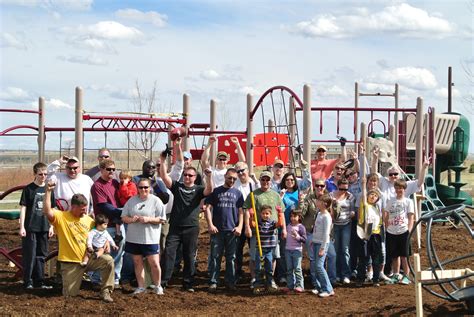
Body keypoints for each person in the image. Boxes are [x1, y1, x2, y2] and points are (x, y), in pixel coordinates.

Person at [43, 183, 114, 302]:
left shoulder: (89, 220)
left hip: (89, 258)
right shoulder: (61, 217)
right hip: (70, 262)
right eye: (82, 209)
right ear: (73, 207)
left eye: (85, 209)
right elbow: (47, 211)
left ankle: (106, 291)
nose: (84, 212)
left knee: (108, 261)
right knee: (70, 296)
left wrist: (106, 241)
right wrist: (48, 192)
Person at [160, 141, 214, 292]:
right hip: (175, 227)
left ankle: (188, 283)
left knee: (189, 256)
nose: (187, 177)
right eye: (185, 175)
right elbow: (164, 177)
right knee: (169, 252)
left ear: (195, 177)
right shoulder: (177, 187)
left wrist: (209, 176)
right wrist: (163, 160)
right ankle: (164, 282)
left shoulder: (198, 189)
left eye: (190, 175)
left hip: (191, 227)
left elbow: (209, 191)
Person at [122, 178, 167, 295]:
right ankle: (141, 287)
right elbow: (124, 217)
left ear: (150, 188)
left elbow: (162, 219)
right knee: (137, 262)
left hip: (150, 238)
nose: (143, 190)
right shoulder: (131, 201)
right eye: (141, 187)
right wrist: (131, 219)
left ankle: (158, 286)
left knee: (154, 263)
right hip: (134, 238)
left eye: (146, 187)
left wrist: (149, 219)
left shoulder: (156, 201)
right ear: (137, 188)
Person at [243, 171, 286, 290]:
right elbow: (247, 210)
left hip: (272, 232)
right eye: (263, 180)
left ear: (270, 181)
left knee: (272, 256)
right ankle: (254, 279)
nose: (265, 182)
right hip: (258, 232)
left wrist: (284, 229)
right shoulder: (254, 195)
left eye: (267, 180)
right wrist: (247, 226)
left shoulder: (275, 195)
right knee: (254, 257)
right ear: (260, 181)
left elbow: (281, 212)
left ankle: (270, 280)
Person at [204, 168, 244, 291]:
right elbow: (207, 208)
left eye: (234, 179)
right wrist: (210, 224)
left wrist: (240, 226)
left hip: (232, 231)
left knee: (231, 258)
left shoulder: (238, 193)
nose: (231, 180)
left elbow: (241, 212)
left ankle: (230, 281)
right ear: (225, 176)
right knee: (216, 256)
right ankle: (214, 281)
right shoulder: (216, 192)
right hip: (218, 230)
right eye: (229, 177)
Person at [19, 162, 55, 290]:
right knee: (30, 255)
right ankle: (28, 281)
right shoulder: (28, 189)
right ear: (35, 174)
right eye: (40, 174)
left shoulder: (49, 189)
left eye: (45, 174)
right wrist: (22, 226)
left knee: (41, 254)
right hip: (30, 227)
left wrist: (52, 226)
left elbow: (52, 209)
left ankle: (39, 281)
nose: (43, 177)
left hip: (44, 227)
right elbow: (23, 208)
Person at [90, 159, 125, 287]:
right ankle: (97, 278)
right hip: (104, 226)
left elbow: (123, 198)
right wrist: (123, 212)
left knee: (119, 252)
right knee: (103, 253)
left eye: (113, 169)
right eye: (108, 169)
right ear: (101, 170)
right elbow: (104, 206)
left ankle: (115, 278)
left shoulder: (116, 183)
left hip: (118, 224)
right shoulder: (97, 186)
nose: (111, 172)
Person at [383, 179, 414, 285]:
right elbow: (386, 214)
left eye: (400, 188)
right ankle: (396, 275)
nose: (398, 190)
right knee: (394, 256)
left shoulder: (408, 202)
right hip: (391, 232)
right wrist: (387, 227)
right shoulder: (391, 201)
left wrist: (409, 230)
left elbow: (411, 217)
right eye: (397, 188)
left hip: (403, 231)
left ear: (404, 189)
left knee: (404, 256)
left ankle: (406, 276)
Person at [355, 177, 384, 287]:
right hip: (365, 234)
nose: (373, 196)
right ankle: (360, 279)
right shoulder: (365, 205)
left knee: (376, 258)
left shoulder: (377, 208)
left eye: (375, 195)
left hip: (375, 234)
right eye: (371, 194)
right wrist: (363, 185)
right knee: (363, 258)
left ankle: (375, 279)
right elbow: (363, 195)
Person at [299, 178, 327, 291]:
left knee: (326, 258)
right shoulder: (308, 199)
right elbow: (301, 214)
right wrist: (301, 202)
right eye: (318, 186)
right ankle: (316, 283)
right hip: (311, 233)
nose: (320, 188)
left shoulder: (328, 198)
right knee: (313, 259)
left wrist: (335, 204)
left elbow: (335, 213)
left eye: (322, 186)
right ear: (314, 187)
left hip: (324, 234)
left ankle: (326, 281)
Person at [233, 161, 259, 282]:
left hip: (252, 220)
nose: (241, 173)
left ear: (248, 170)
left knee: (253, 247)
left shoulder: (253, 184)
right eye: (238, 171)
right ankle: (237, 272)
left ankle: (255, 273)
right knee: (237, 248)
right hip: (238, 221)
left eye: (243, 170)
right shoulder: (234, 185)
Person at [331, 178, 355, 284]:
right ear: (338, 186)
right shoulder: (332, 195)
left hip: (346, 224)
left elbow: (352, 210)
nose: (343, 191)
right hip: (335, 225)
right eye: (341, 189)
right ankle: (336, 274)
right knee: (335, 250)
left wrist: (352, 214)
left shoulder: (350, 196)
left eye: (345, 189)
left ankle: (346, 274)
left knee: (345, 249)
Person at [252, 205, 281, 293]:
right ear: (260, 214)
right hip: (259, 250)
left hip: (268, 250)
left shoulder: (272, 223)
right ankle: (257, 286)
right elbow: (252, 224)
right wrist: (251, 216)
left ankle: (269, 284)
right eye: (263, 213)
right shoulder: (259, 223)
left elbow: (279, 224)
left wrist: (279, 213)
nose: (265, 215)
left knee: (269, 268)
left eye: (267, 214)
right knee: (258, 268)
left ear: (270, 214)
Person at [312, 194, 335, 298]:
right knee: (317, 266)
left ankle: (328, 289)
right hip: (316, 242)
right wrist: (313, 240)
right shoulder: (319, 214)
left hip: (322, 244)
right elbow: (316, 229)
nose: (316, 201)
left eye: (319, 200)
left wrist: (322, 247)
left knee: (319, 266)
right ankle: (321, 287)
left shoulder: (326, 216)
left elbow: (326, 233)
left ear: (324, 204)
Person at [284, 210, 306, 293]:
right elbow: (286, 236)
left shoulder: (301, 227)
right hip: (288, 250)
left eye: (295, 216)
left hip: (297, 250)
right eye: (291, 216)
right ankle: (290, 285)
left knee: (297, 268)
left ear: (299, 217)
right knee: (289, 269)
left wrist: (297, 237)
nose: (292, 218)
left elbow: (304, 239)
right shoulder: (288, 226)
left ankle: (300, 285)